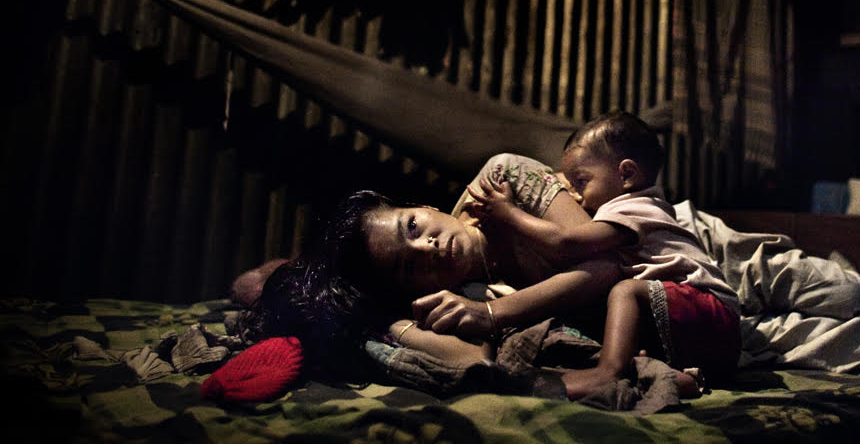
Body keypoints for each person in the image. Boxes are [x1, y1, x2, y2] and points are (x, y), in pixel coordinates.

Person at [235, 153, 622, 376]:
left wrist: (492, 313)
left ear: (427, 207)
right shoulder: (454, 296)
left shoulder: (503, 181)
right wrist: (373, 318)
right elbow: (473, 361)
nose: (427, 248)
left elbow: (607, 268)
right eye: (407, 267)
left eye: (413, 226)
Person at [466, 111, 741, 399]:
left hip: (712, 314)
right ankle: (673, 376)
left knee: (626, 292)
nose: (578, 196)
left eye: (582, 181)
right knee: (622, 317)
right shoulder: (626, 208)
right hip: (695, 335)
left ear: (626, 174)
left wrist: (510, 214)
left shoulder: (638, 207)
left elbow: (565, 242)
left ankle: (606, 373)